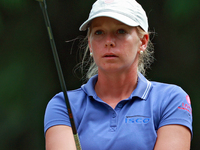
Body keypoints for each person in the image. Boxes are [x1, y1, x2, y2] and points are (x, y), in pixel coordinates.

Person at [44, 0, 193, 149]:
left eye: (121, 31)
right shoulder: (64, 105)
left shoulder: (171, 99)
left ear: (142, 41)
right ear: (90, 43)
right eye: (99, 32)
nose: (108, 41)